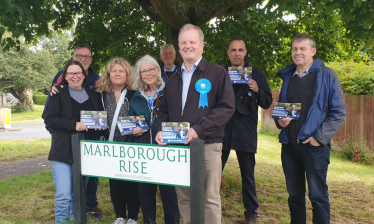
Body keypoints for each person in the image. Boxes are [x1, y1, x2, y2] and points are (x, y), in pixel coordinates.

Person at [155, 24, 235, 224]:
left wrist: (198, 129)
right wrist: (160, 130)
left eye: (192, 42)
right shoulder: (173, 79)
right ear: (179, 47)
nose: (187, 46)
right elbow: (164, 110)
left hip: (207, 145)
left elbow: (226, 107)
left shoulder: (218, 74)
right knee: (184, 197)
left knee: (209, 197)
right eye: (183, 42)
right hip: (178, 147)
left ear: (202, 46)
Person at [275, 33, 346, 224]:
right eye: (294, 49)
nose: (297, 53)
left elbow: (339, 112)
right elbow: (282, 110)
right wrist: (280, 122)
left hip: (314, 148)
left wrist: (318, 138)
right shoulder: (288, 77)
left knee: (318, 196)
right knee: (294, 196)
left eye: (302, 49)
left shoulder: (327, 76)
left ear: (312, 51)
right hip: (289, 145)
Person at [42, 43, 102, 219]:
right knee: (63, 196)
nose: (75, 76)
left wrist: (100, 126)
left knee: (79, 194)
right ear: (65, 76)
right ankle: (62, 221)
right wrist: (73, 124)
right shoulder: (58, 93)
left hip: (87, 151)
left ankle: (77, 220)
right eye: (71, 73)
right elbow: (49, 118)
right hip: (62, 150)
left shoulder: (94, 95)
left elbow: (100, 120)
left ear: (84, 75)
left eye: (78, 73)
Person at [222, 37, 273, 224]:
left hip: (246, 131)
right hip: (223, 130)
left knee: (248, 176)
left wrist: (258, 90)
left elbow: (267, 102)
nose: (236, 53)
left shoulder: (256, 74)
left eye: (240, 50)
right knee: (212, 172)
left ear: (245, 52)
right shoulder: (219, 73)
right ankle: (208, 207)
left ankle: (251, 214)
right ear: (228, 53)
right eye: (233, 50)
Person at [129, 55, 180, 224]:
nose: (148, 73)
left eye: (151, 69)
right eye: (144, 71)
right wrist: (133, 130)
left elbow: (178, 118)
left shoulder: (170, 92)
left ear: (158, 71)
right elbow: (131, 121)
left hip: (166, 152)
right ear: (140, 74)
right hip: (144, 153)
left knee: (169, 195)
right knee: (145, 194)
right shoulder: (136, 97)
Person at [96, 58, 140, 224]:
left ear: (127, 74)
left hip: (130, 143)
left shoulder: (135, 93)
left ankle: (133, 217)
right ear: (108, 74)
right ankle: (120, 216)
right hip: (110, 144)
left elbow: (141, 115)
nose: (117, 74)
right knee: (115, 181)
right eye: (114, 71)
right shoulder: (101, 94)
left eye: (121, 71)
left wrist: (138, 129)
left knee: (132, 181)